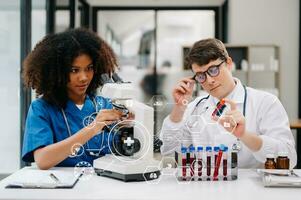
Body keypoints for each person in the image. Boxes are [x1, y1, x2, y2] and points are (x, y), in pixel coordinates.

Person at [160, 38, 297, 168]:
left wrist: (244, 135)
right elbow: (169, 152)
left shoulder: (265, 103)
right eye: (201, 76)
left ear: (229, 63)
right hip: (206, 188)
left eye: (213, 70)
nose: (209, 80)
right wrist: (179, 109)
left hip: (252, 189)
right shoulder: (195, 107)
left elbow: (289, 159)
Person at [22, 28, 124, 170]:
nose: (84, 77)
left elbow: (124, 151)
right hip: (64, 189)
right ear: (56, 72)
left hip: (103, 188)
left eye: (89, 68)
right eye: (74, 70)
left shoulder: (105, 105)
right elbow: (43, 160)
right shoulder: (41, 108)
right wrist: (92, 128)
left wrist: (130, 127)